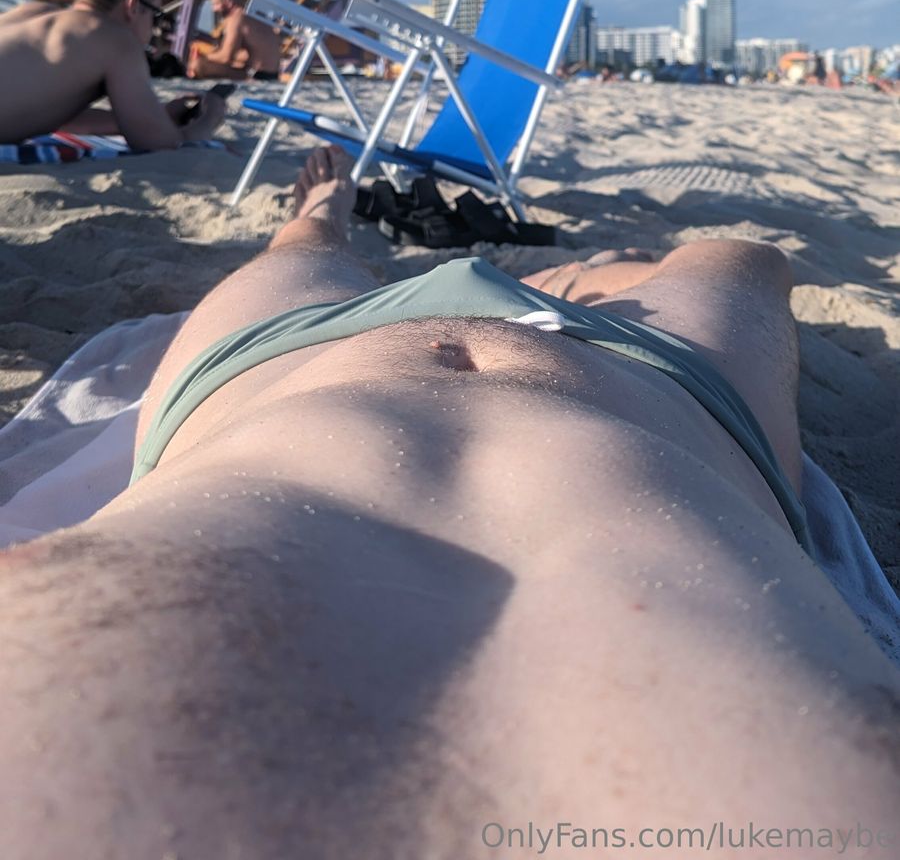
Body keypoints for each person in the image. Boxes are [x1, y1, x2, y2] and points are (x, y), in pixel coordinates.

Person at [0, 147, 896, 857]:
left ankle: (326, 212)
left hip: (273, 368)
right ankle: (568, 283)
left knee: (303, 251)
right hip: (661, 391)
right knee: (740, 260)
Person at [0, 0, 227, 151]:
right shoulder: (117, 38)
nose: (153, 28)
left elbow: (44, 114)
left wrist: (153, 115)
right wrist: (209, 119)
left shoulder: (32, 12)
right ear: (133, 6)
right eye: (155, 15)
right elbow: (161, 144)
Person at [187, 0, 283, 81]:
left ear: (227, 1)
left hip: (257, 75)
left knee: (198, 65)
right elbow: (249, 53)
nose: (214, 9)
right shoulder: (252, 14)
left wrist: (203, 57)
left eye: (215, 4)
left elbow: (225, 57)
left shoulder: (236, 19)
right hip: (272, 74)